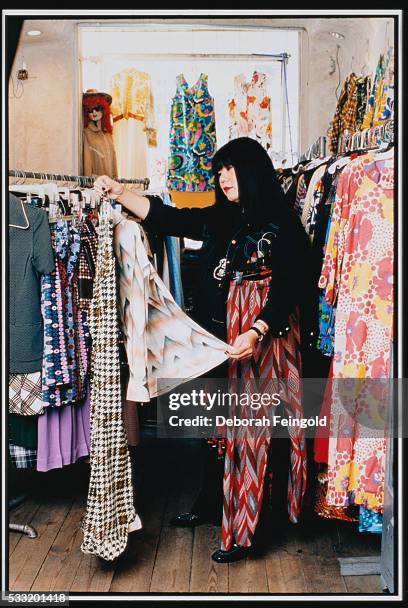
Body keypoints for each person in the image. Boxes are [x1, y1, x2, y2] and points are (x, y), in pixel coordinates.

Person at [94, 136, 311, 563]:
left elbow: (291, 285)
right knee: (222, 432)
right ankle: (220, 508)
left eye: (230, 169)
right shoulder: (229, 217)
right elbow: (172, 218)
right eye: (218, 171)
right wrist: (121, 193)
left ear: (251, 172)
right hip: (224, 340)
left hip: (263, 341)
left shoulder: (282, 224)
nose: (222, 177)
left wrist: (258, 329)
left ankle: (247, 533)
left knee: (253, 436)